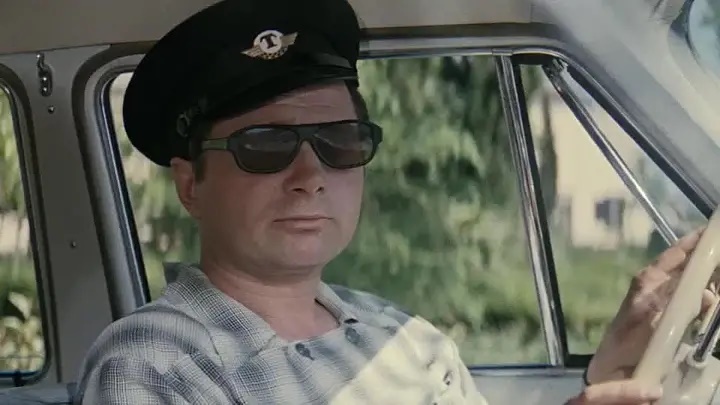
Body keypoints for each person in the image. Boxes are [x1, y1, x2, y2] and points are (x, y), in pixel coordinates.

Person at [72, 0, 712, 403]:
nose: (309, 175)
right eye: (264, 146)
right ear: (191, 185)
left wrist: (606, 376)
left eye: (340, 142)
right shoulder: (155, 365)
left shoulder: (405, 338)